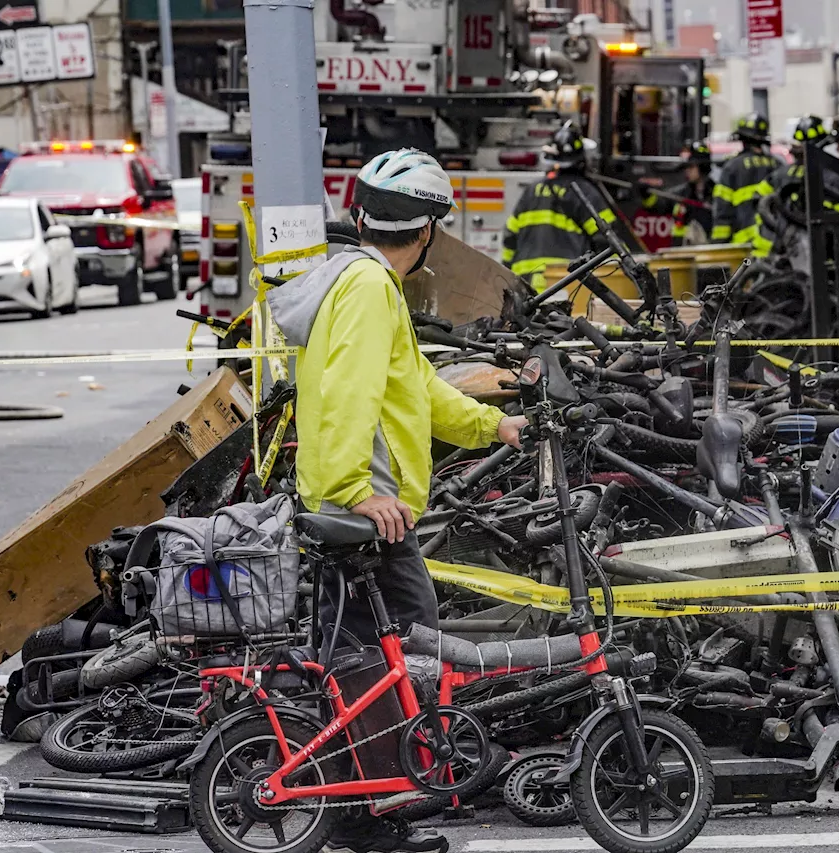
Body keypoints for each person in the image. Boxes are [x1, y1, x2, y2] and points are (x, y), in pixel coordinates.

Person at [269, 149, 528, 852]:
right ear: (425, 234)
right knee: (397, 652)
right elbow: (352, 392)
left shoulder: (359, 280)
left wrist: (493, 425)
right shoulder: (368, 289)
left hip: (364, 509)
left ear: (360, 216)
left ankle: (366, 803)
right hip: (366, 514)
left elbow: (414, 387)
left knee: (366, 654)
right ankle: (374, 810)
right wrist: (359, 491)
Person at [502, 122, 618, 291]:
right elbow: (609, 240)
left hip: (524, 284)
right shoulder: (584, 192)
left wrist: (506, 274)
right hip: (565, 284)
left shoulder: (532, 191)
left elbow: (510, 238)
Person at [751, 115, 839, 258]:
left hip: (777, 250)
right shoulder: (830, 175)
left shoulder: (781, 174)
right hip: (816, 252)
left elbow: (758, 199)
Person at [711, 112, 779, 246]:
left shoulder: (732, 167)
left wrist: (719, 243)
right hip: (773, 242)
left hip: (743, 244)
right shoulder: (777, 165)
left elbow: (723, 210)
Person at [640, 140, 715, 246]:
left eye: (691, 167)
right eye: (686, 167)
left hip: (708, 253)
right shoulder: (682, 194)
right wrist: (647, 195)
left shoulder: (716, 194)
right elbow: (659, 205)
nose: (687, 171)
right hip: (682, 252)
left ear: (703, 168)